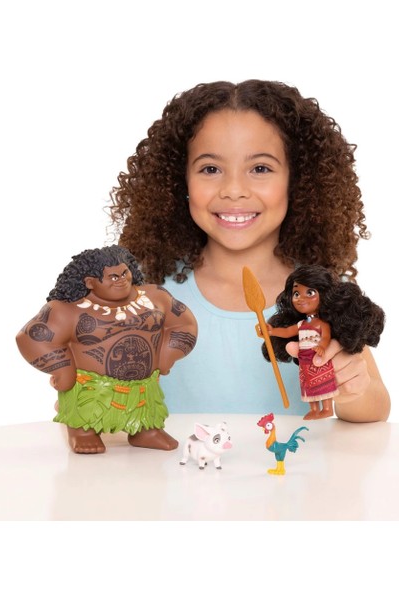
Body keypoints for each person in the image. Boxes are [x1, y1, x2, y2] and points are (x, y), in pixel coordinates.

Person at [109, 79, 390, 422]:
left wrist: (353, 387)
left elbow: (376, 409)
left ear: (297, 181)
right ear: (181, 181)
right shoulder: (144, 292)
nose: (234, 190)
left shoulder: (319, 293)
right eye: (210, 169)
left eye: (260, 168)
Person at [16, 245, 198, 453]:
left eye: (125, 273)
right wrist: (62, 371)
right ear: (90, 282)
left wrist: (167, 356)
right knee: (85, 413)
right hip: (91, 389)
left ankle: (146, 431)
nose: (121, 279)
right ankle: (82, 432)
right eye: (113, 276)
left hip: (144, 386)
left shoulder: (155, 296)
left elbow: (183, 323)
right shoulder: (66, 309)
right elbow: (31, 338)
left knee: (147, 411)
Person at [260, 265, 385, 420]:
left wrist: (323, 347)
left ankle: (326, 408)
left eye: (310, 293)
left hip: (318, 357)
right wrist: (272, 331)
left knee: (325, 385)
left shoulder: (323, 323)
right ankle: (314, 409)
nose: (301, 298)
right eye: (296, 293)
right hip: (305, 361)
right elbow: (287, 332)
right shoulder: (301, 324)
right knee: (308, 387)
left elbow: (325, 337)